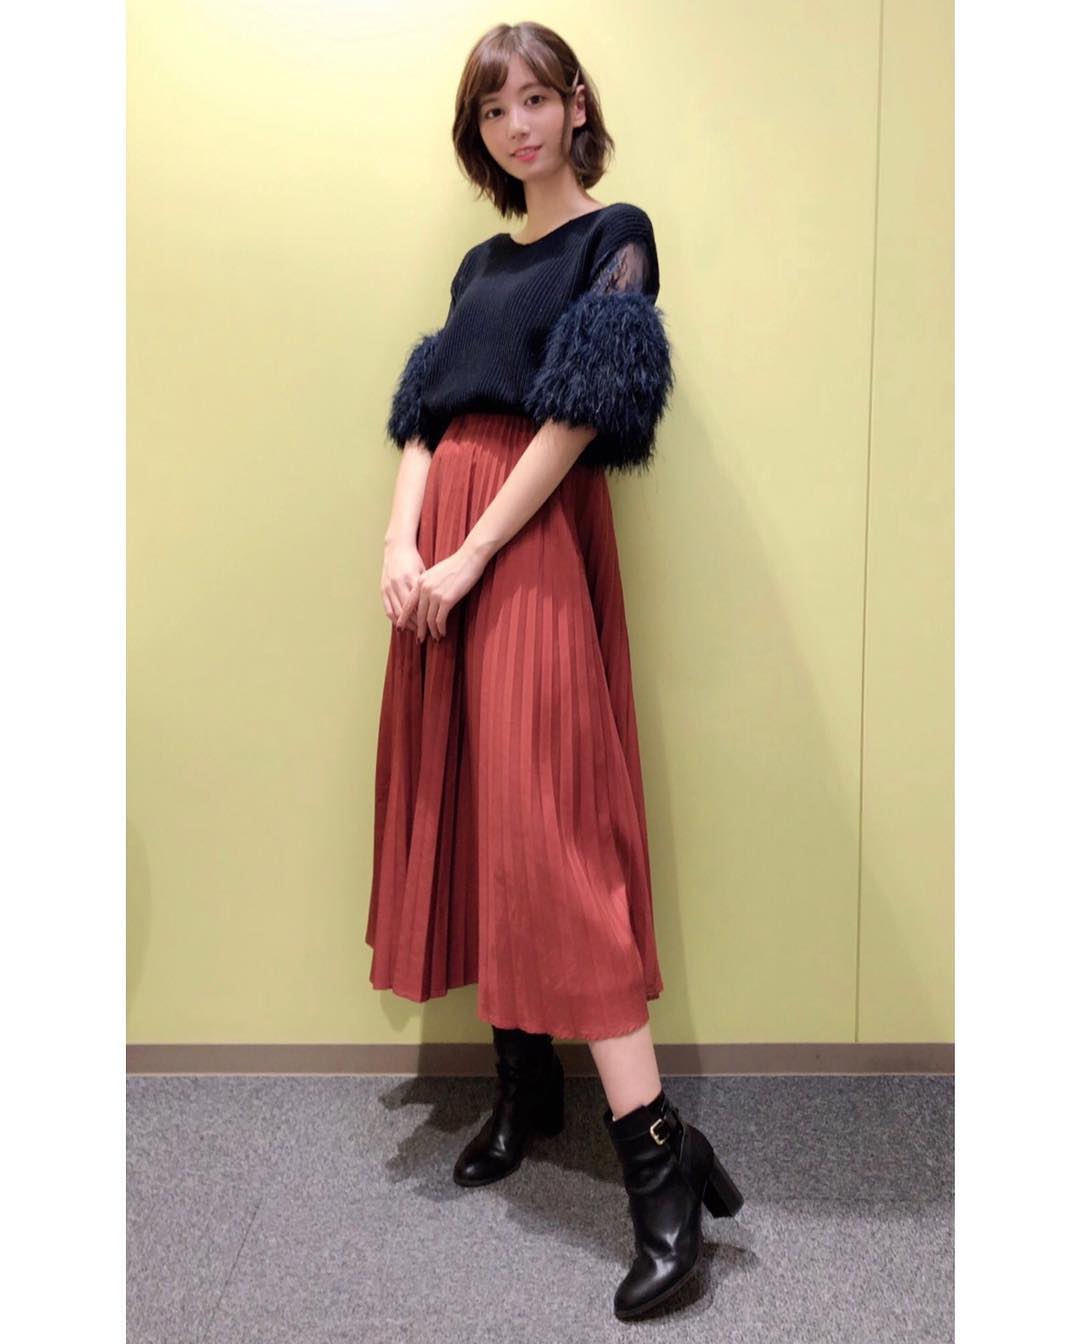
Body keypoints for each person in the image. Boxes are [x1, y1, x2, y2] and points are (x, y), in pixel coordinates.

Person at [366, 21, 743, 1320]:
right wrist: (400, 544)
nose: (518, 125)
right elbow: (426, 415)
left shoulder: (614, 235)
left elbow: (577, 414)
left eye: (536, 99)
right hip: (443, 555)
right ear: (478, 134)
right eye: (494, 111)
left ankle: (661, 1171)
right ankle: (526, 1091)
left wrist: (469, 551)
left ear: (576, 104)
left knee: (554, 834)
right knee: (478, 817)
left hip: (520, 547)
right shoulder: (479, 264)